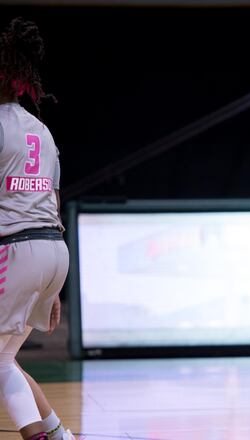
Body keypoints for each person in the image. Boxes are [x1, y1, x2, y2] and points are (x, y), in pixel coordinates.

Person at [0, 17, 76, 440]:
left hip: (17, 249)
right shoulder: (42, 131)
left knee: (0, 362)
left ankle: (39, 437)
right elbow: (53, 201)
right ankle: (59, 434)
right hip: (53, 251)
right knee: (5, 358)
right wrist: (53, 289)